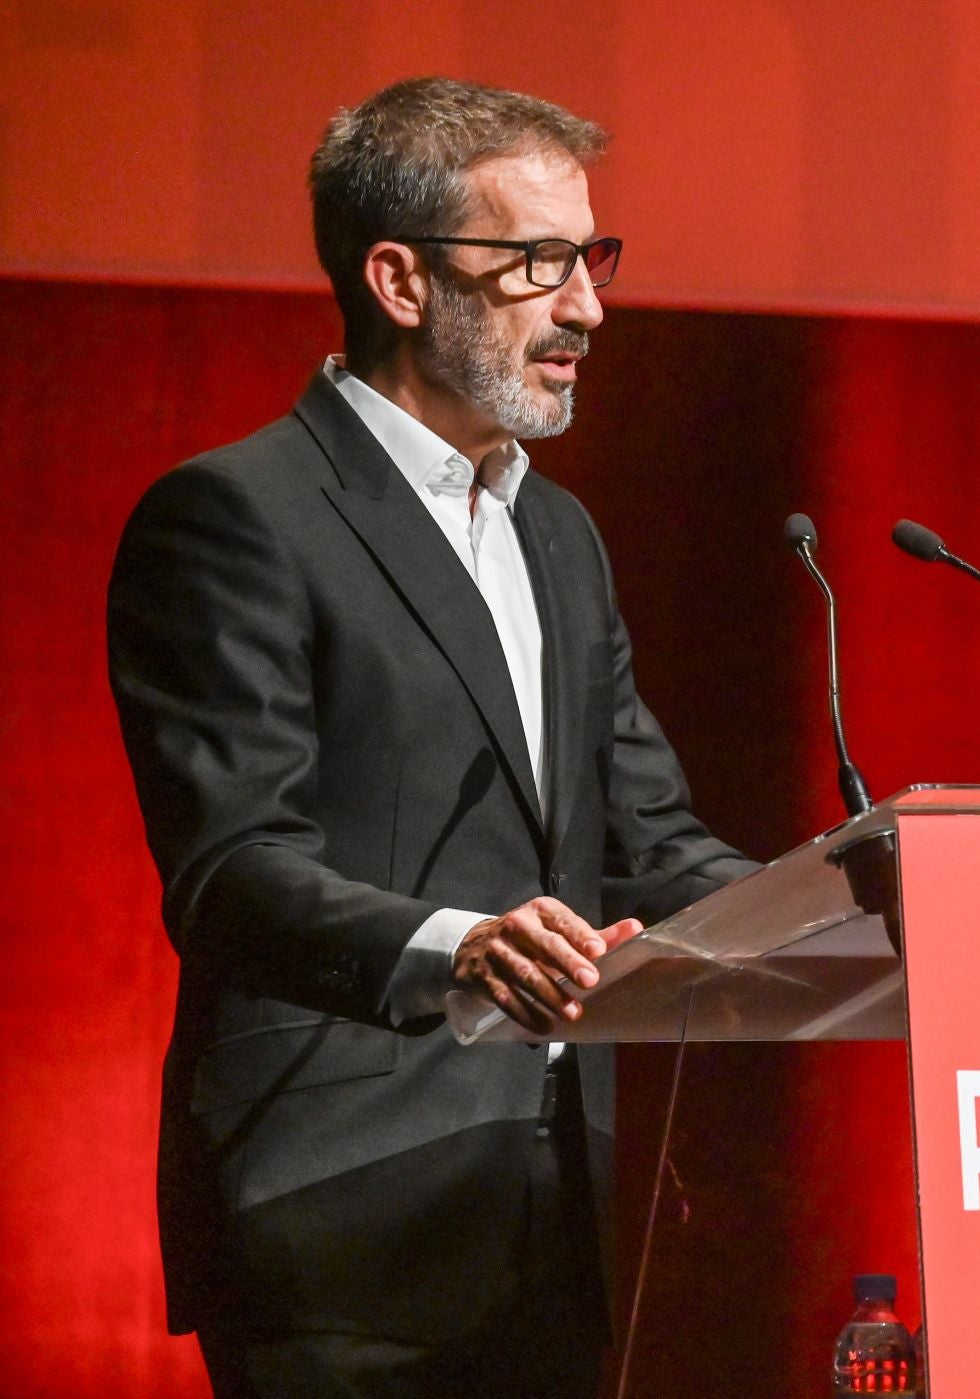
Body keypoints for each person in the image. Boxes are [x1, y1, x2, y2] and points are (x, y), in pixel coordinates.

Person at [107, 77, 757, 1398]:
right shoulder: (239, 516)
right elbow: (231, 869)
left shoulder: (557, 536)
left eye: (591, 262)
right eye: (538, 266)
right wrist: (463, 945)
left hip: (543, 1213)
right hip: (338, 1207)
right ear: (401, 282)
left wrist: (876, 901)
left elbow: (650, 843)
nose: (586, 308)